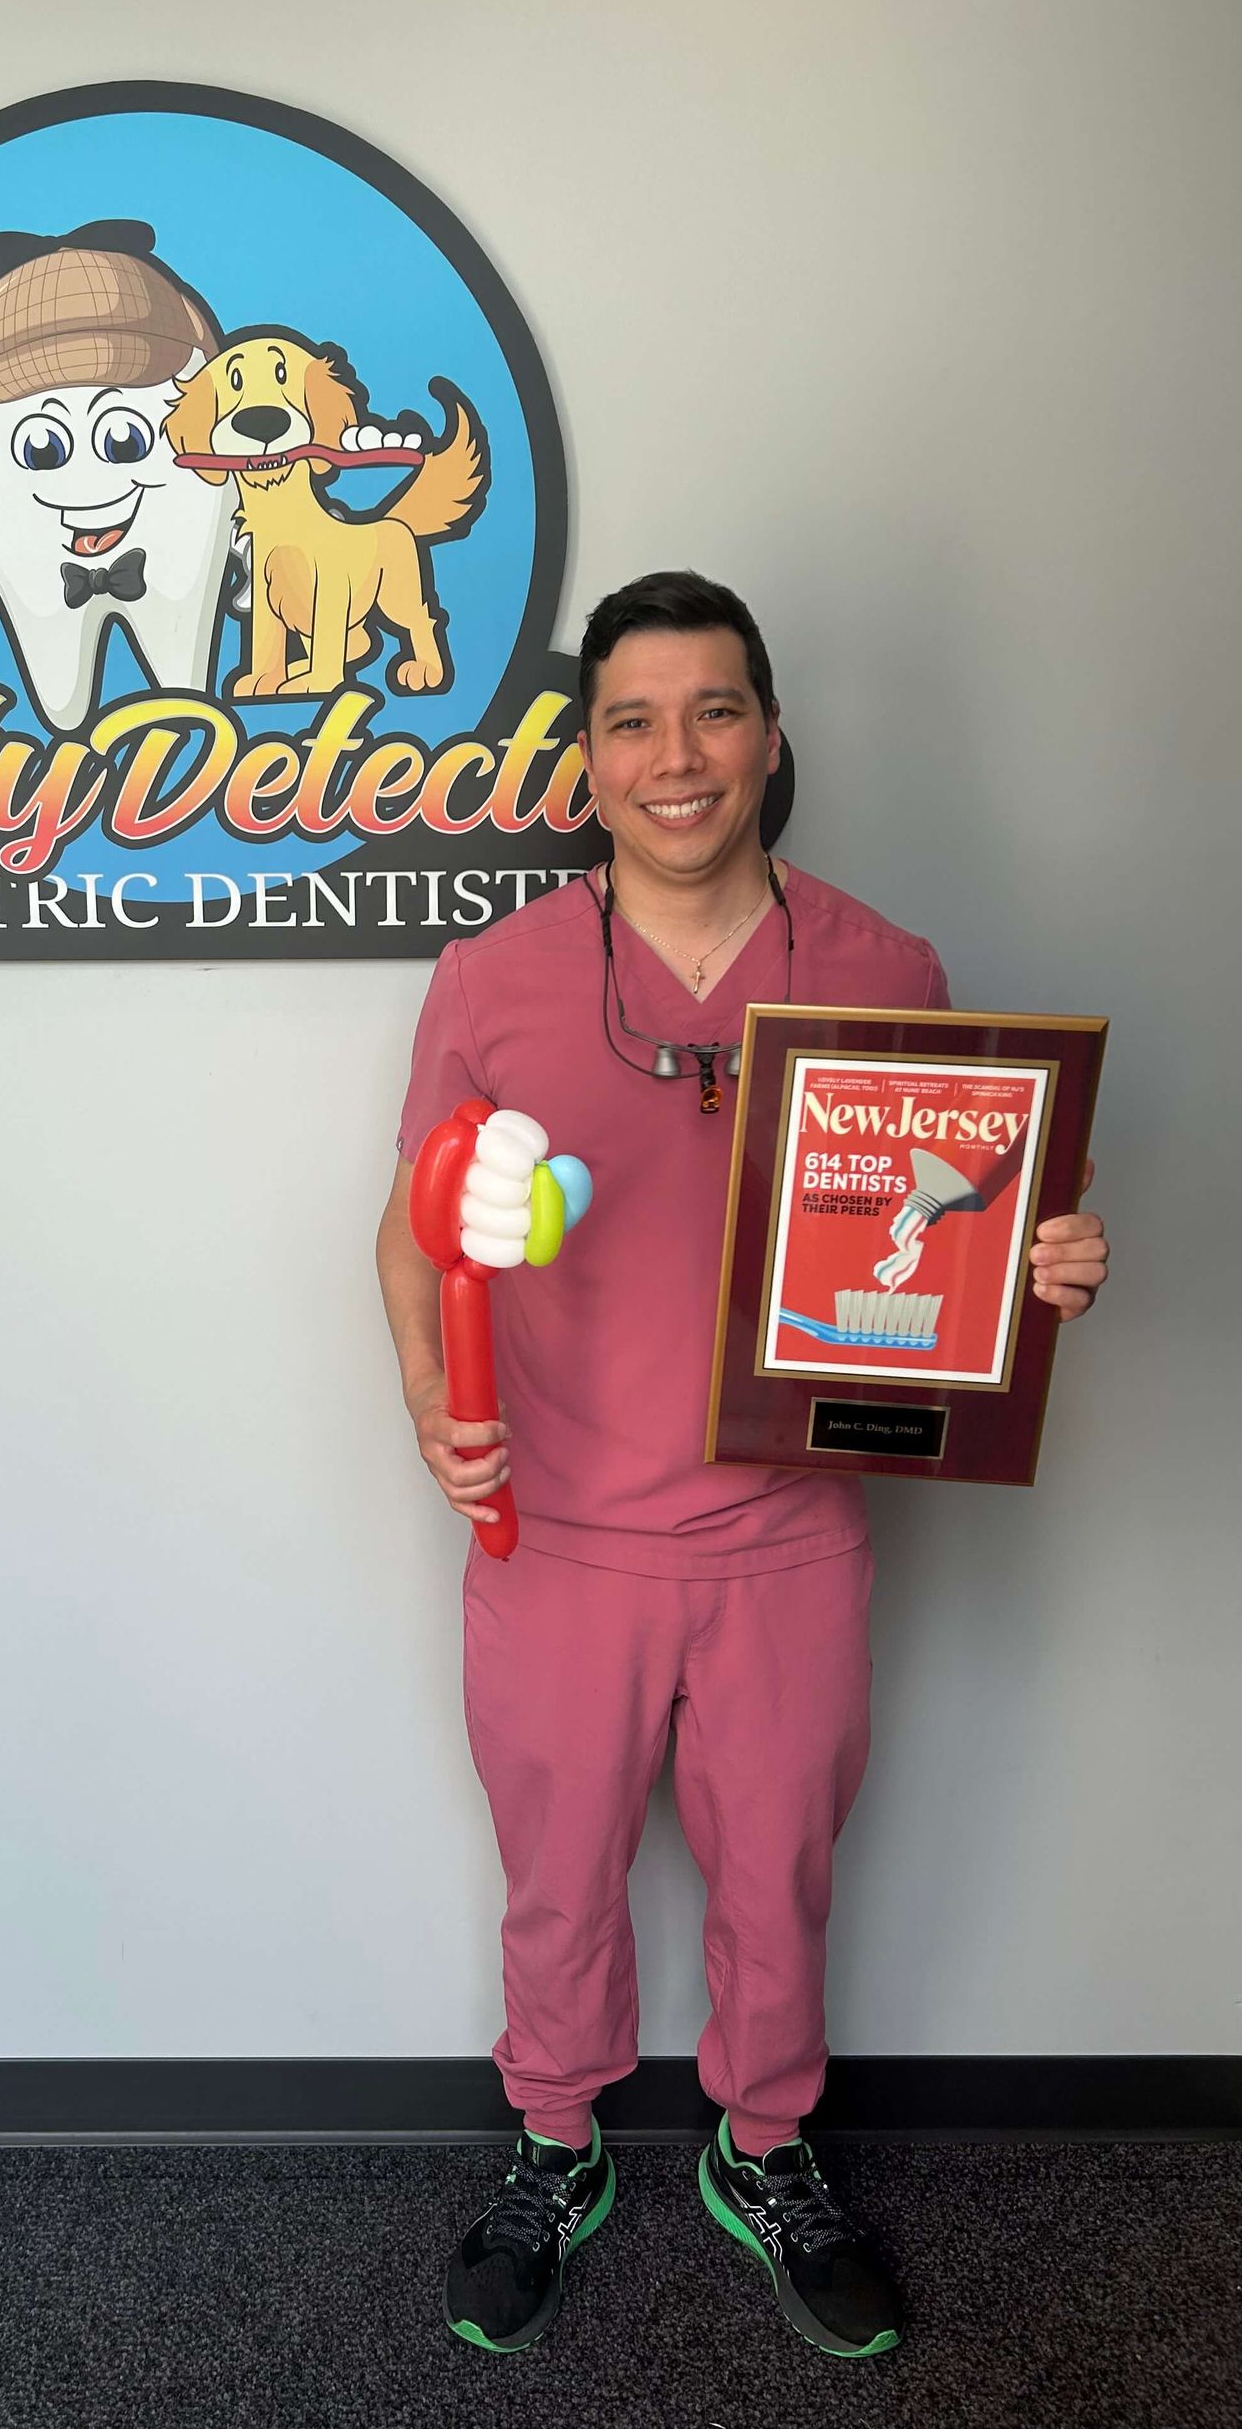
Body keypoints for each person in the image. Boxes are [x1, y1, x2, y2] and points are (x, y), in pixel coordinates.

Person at [375, 570, 1110, 2361]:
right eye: (632, 721)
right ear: (587, 763)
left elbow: (949, 1221)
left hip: (790, 1539)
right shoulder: (492, 979)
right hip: (559, 1538)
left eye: (714, 712)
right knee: (558, 1877)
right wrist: (428, 1401)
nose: (676, 756)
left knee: (779, 1875)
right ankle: (556, 2145)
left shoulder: (886, 972)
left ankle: (764, 2151)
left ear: (772, 740)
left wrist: (1038, 1266)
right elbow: (412, 1226)